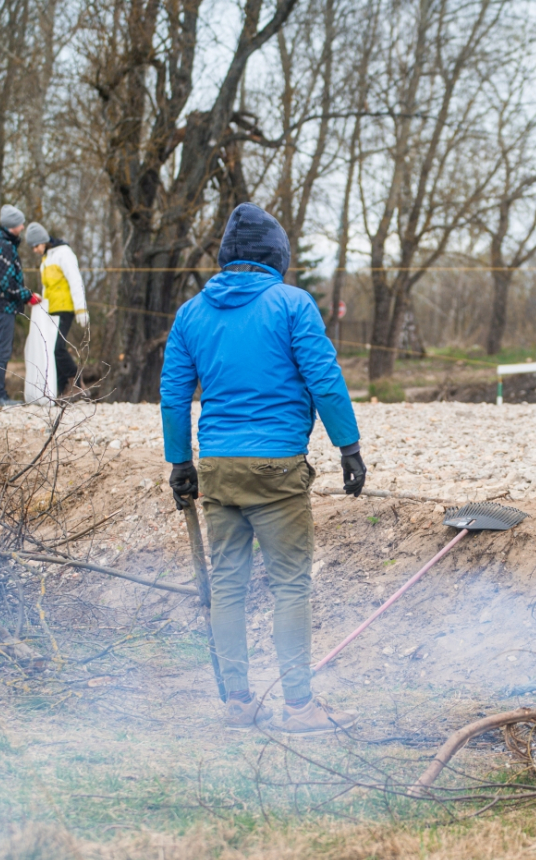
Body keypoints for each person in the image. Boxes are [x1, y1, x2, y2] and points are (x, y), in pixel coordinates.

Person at [160, 203, 367, 734]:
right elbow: (324, 379)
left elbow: (174, 395)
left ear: (228, 258)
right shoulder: (293, 304)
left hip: (218, 469)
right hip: (277, 470)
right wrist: (348, 446)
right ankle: (299, 707)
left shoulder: (190, 314)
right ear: (276, 256)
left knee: (227, 587)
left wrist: (180, 461)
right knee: (290, 587)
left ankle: (238, 703)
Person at [0, 204, 39, 406]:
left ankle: (0, 395)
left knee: (1, 349)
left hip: (1, 305)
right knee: (2, 351)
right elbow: (8, 284)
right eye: (20, 224)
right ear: (11, 226)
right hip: (2, 306)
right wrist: (28, 296)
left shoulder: (1, 244)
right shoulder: (3, 246)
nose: (23, 227)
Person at [25, 222, 89, 396]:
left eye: (36, 246)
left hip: (65, 308)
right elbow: (48, 288)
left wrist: (81, 309)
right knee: (52, 350)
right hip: (52, 310)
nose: (35, 250)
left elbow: (75, 280)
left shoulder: (64, 254)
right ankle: (63, 390)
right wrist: (41, 302)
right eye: (32, 247)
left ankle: (76, 382)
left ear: (44, 241)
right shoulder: (46, 259)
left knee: (58, 348)